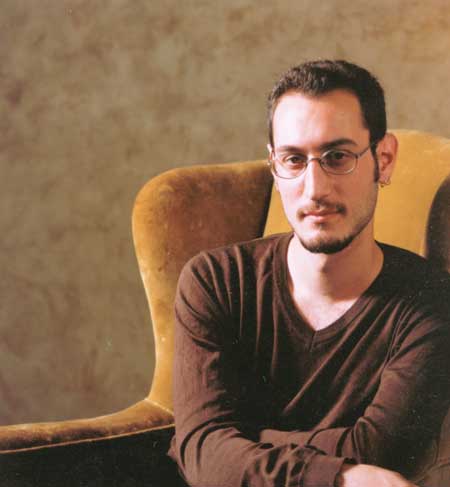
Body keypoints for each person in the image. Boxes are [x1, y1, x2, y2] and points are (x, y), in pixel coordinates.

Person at [168, 60, 450, 487]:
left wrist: (239, 444)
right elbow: (203, 452)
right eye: (294, 159)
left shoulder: (429, 298)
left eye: (338, 157)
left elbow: (376, 451)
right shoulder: (215, 281)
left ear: (384, 159)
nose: (315, 188)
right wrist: (340, 477)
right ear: (274, 167)